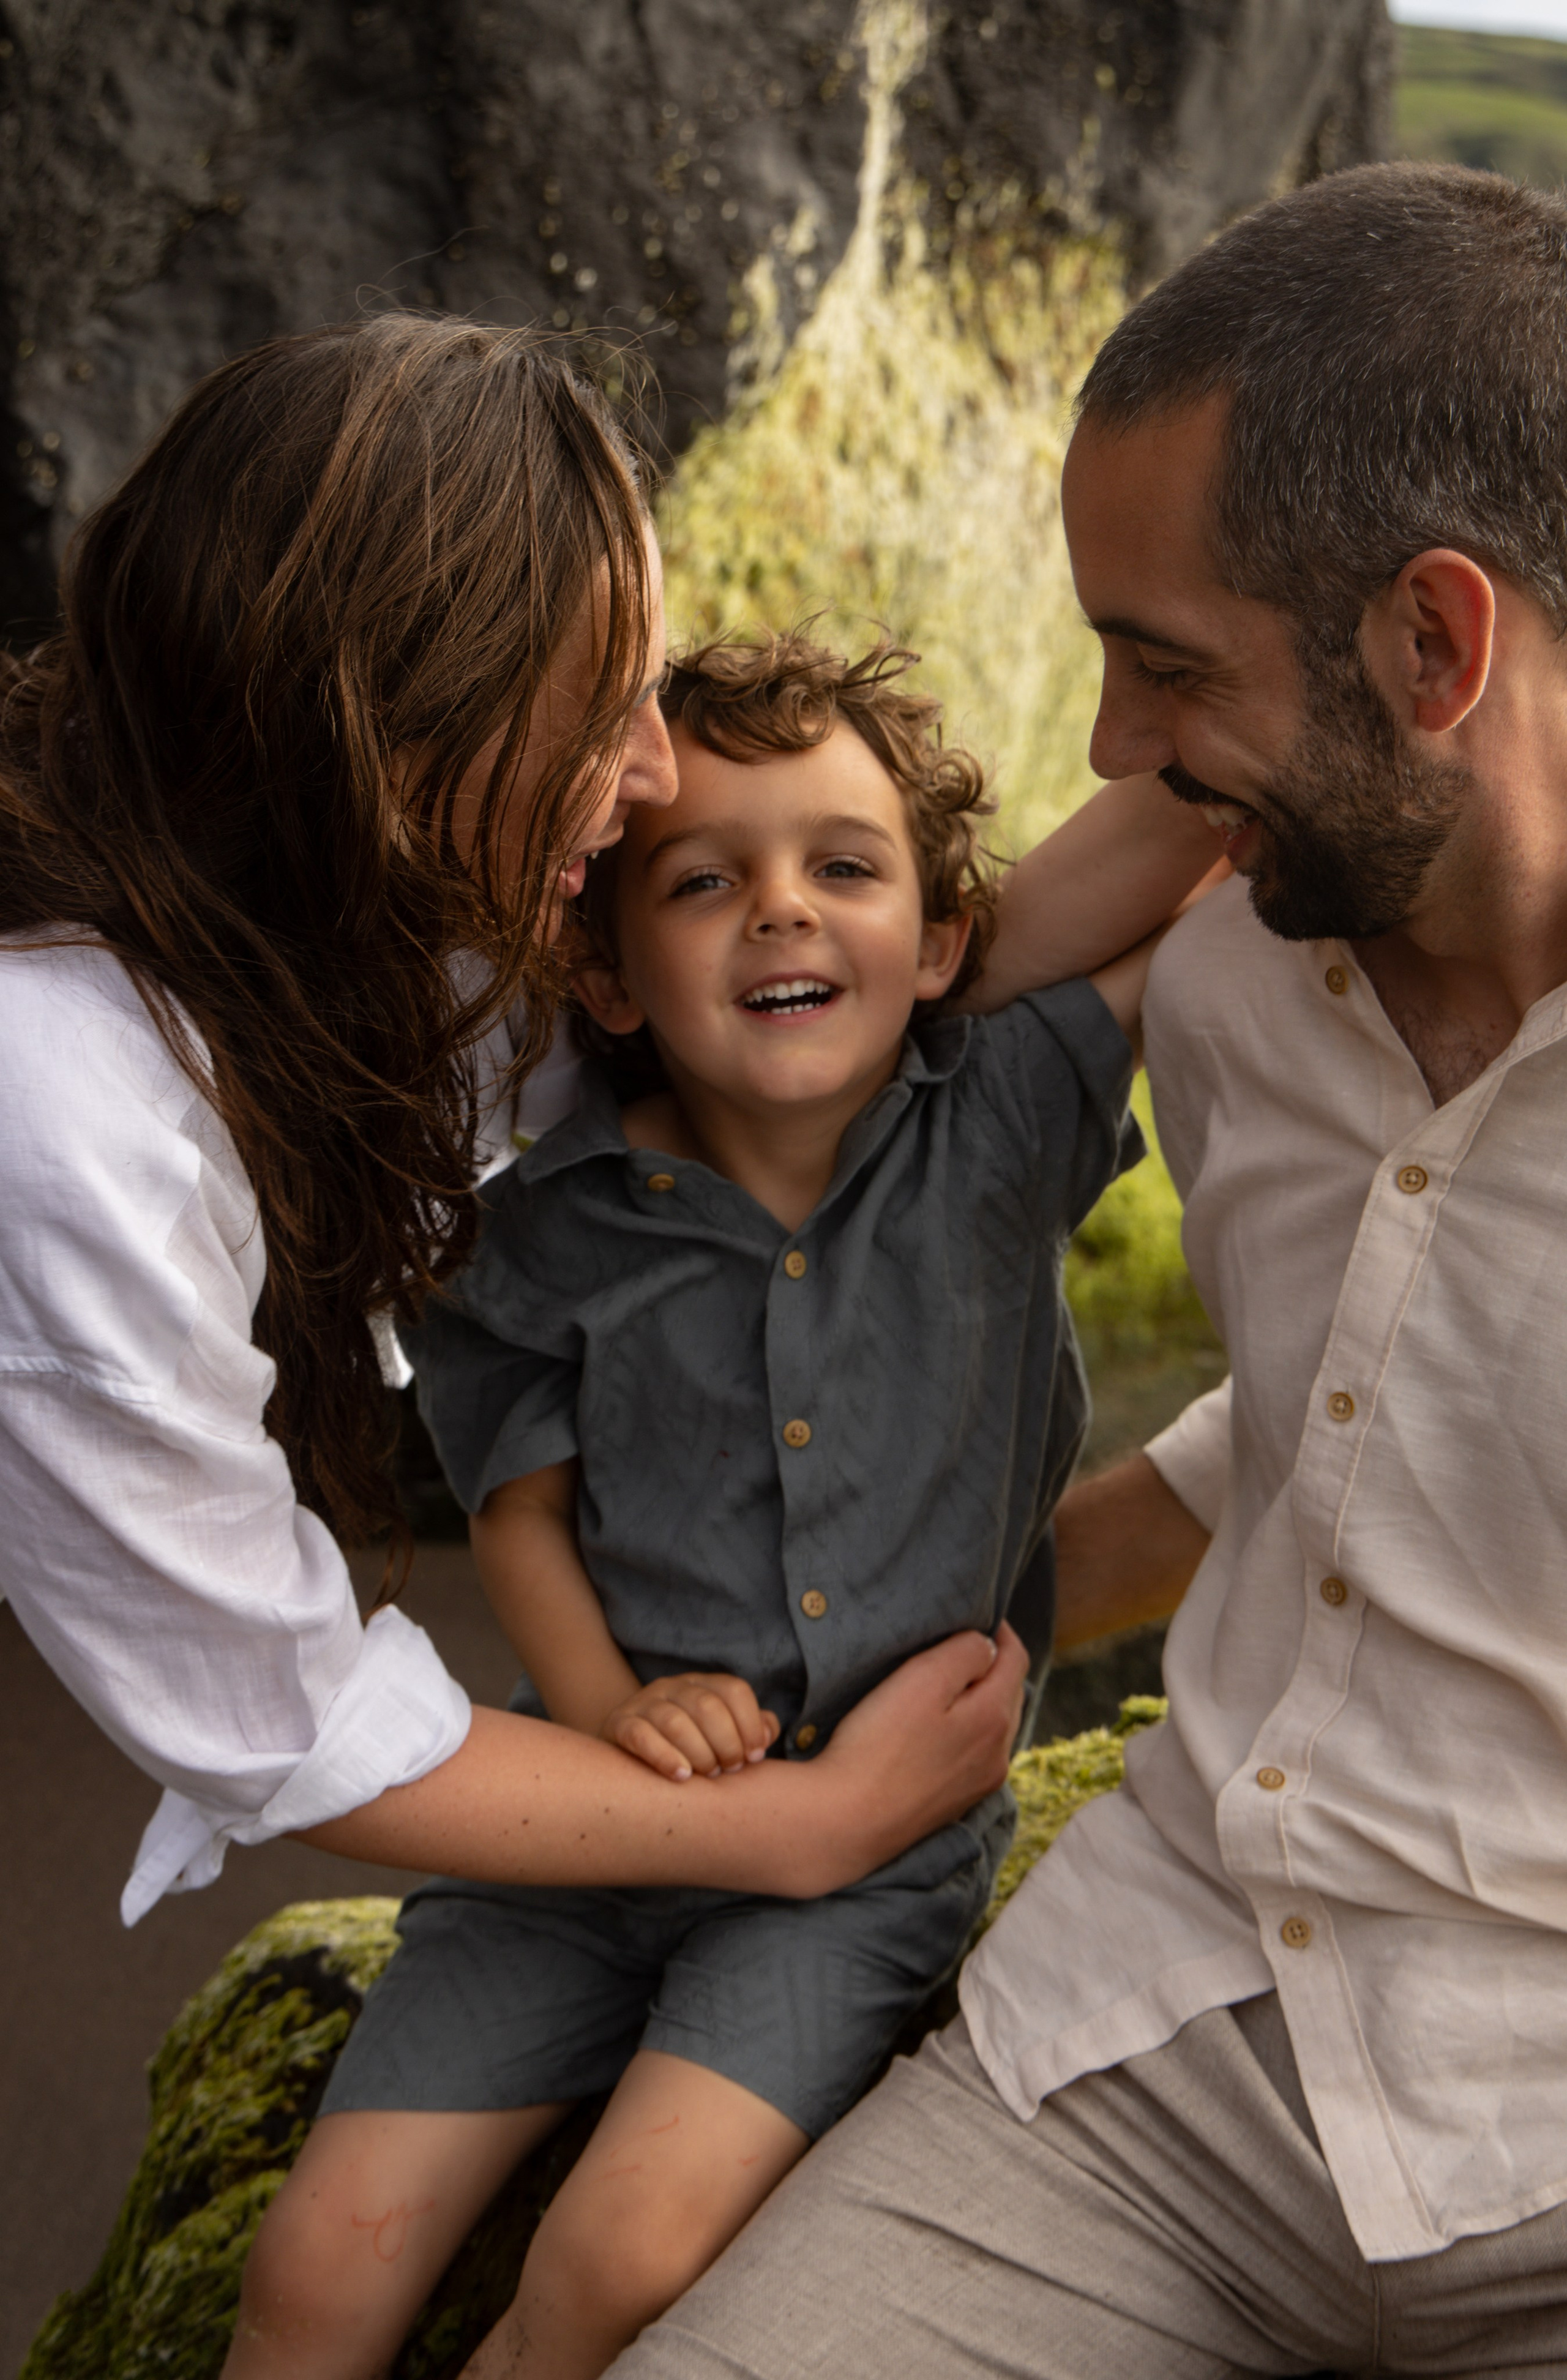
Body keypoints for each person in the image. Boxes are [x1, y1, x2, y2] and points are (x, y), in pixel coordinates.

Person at [607, 162, 1567, 2379]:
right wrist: (956, 1611)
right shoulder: (1228, 979)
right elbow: (1335, 1397)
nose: (1117, 752)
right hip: (1163, 2035)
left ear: (1438, 644)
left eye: (1164, 670)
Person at [224, 629, 1211, 2380]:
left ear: (947, 942)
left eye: (845, 868)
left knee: (623, 2261)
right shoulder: (548, 1224)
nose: (782, 910)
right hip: (590, 1830)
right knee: (316, 2265)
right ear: (607, 978)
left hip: (856, 1871)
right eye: (705, 881)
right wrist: (617, 1713)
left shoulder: (997, 1123)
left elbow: (1191, 836)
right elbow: (519, 1517)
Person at [0, 313, 1039, 1938]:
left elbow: (890, 980)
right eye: (597, 708)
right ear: (391, 711)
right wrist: (803, 1827)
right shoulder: (64, 1109)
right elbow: (281, 1716)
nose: (647, 777)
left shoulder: (365, 946)